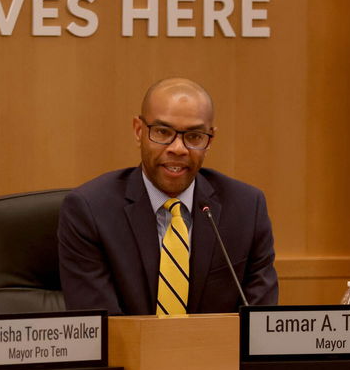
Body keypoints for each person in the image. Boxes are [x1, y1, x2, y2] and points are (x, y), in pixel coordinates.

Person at [57, 78, 278, 315]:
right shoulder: (90, 210)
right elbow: (102, 328)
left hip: (218, 352)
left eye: (194, 136)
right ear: (138, 131)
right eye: (163, 132)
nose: (178, 148)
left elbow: (258, 325)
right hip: (126, 353)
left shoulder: (246, 208)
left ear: (209, 140)